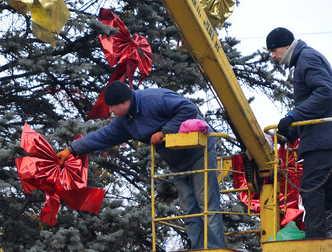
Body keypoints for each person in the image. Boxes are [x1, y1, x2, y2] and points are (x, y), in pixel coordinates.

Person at [57, 80, 225, 249]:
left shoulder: (155, 99)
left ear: (124, 102)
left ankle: (215, 248)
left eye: (112, 107)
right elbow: (102, 136)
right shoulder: (125, 121)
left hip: (199, 152)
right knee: (189, 209)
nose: (110, 111)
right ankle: (199, 248)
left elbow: (189, 108)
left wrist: (164, 132)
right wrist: (71, 150)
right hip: (178, 164)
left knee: (207, 203)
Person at [266, 27, 332, 239]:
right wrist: (294, 131)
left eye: (274, 50)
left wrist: (294, 116)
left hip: (321, 140)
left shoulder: (306, 58)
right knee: (329, 190)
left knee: (311, 187)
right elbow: (321, 99)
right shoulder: (307, 57)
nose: (273, 56)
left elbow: (325, 93)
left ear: (286, 45)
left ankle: (315, 239)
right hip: (330, 137)